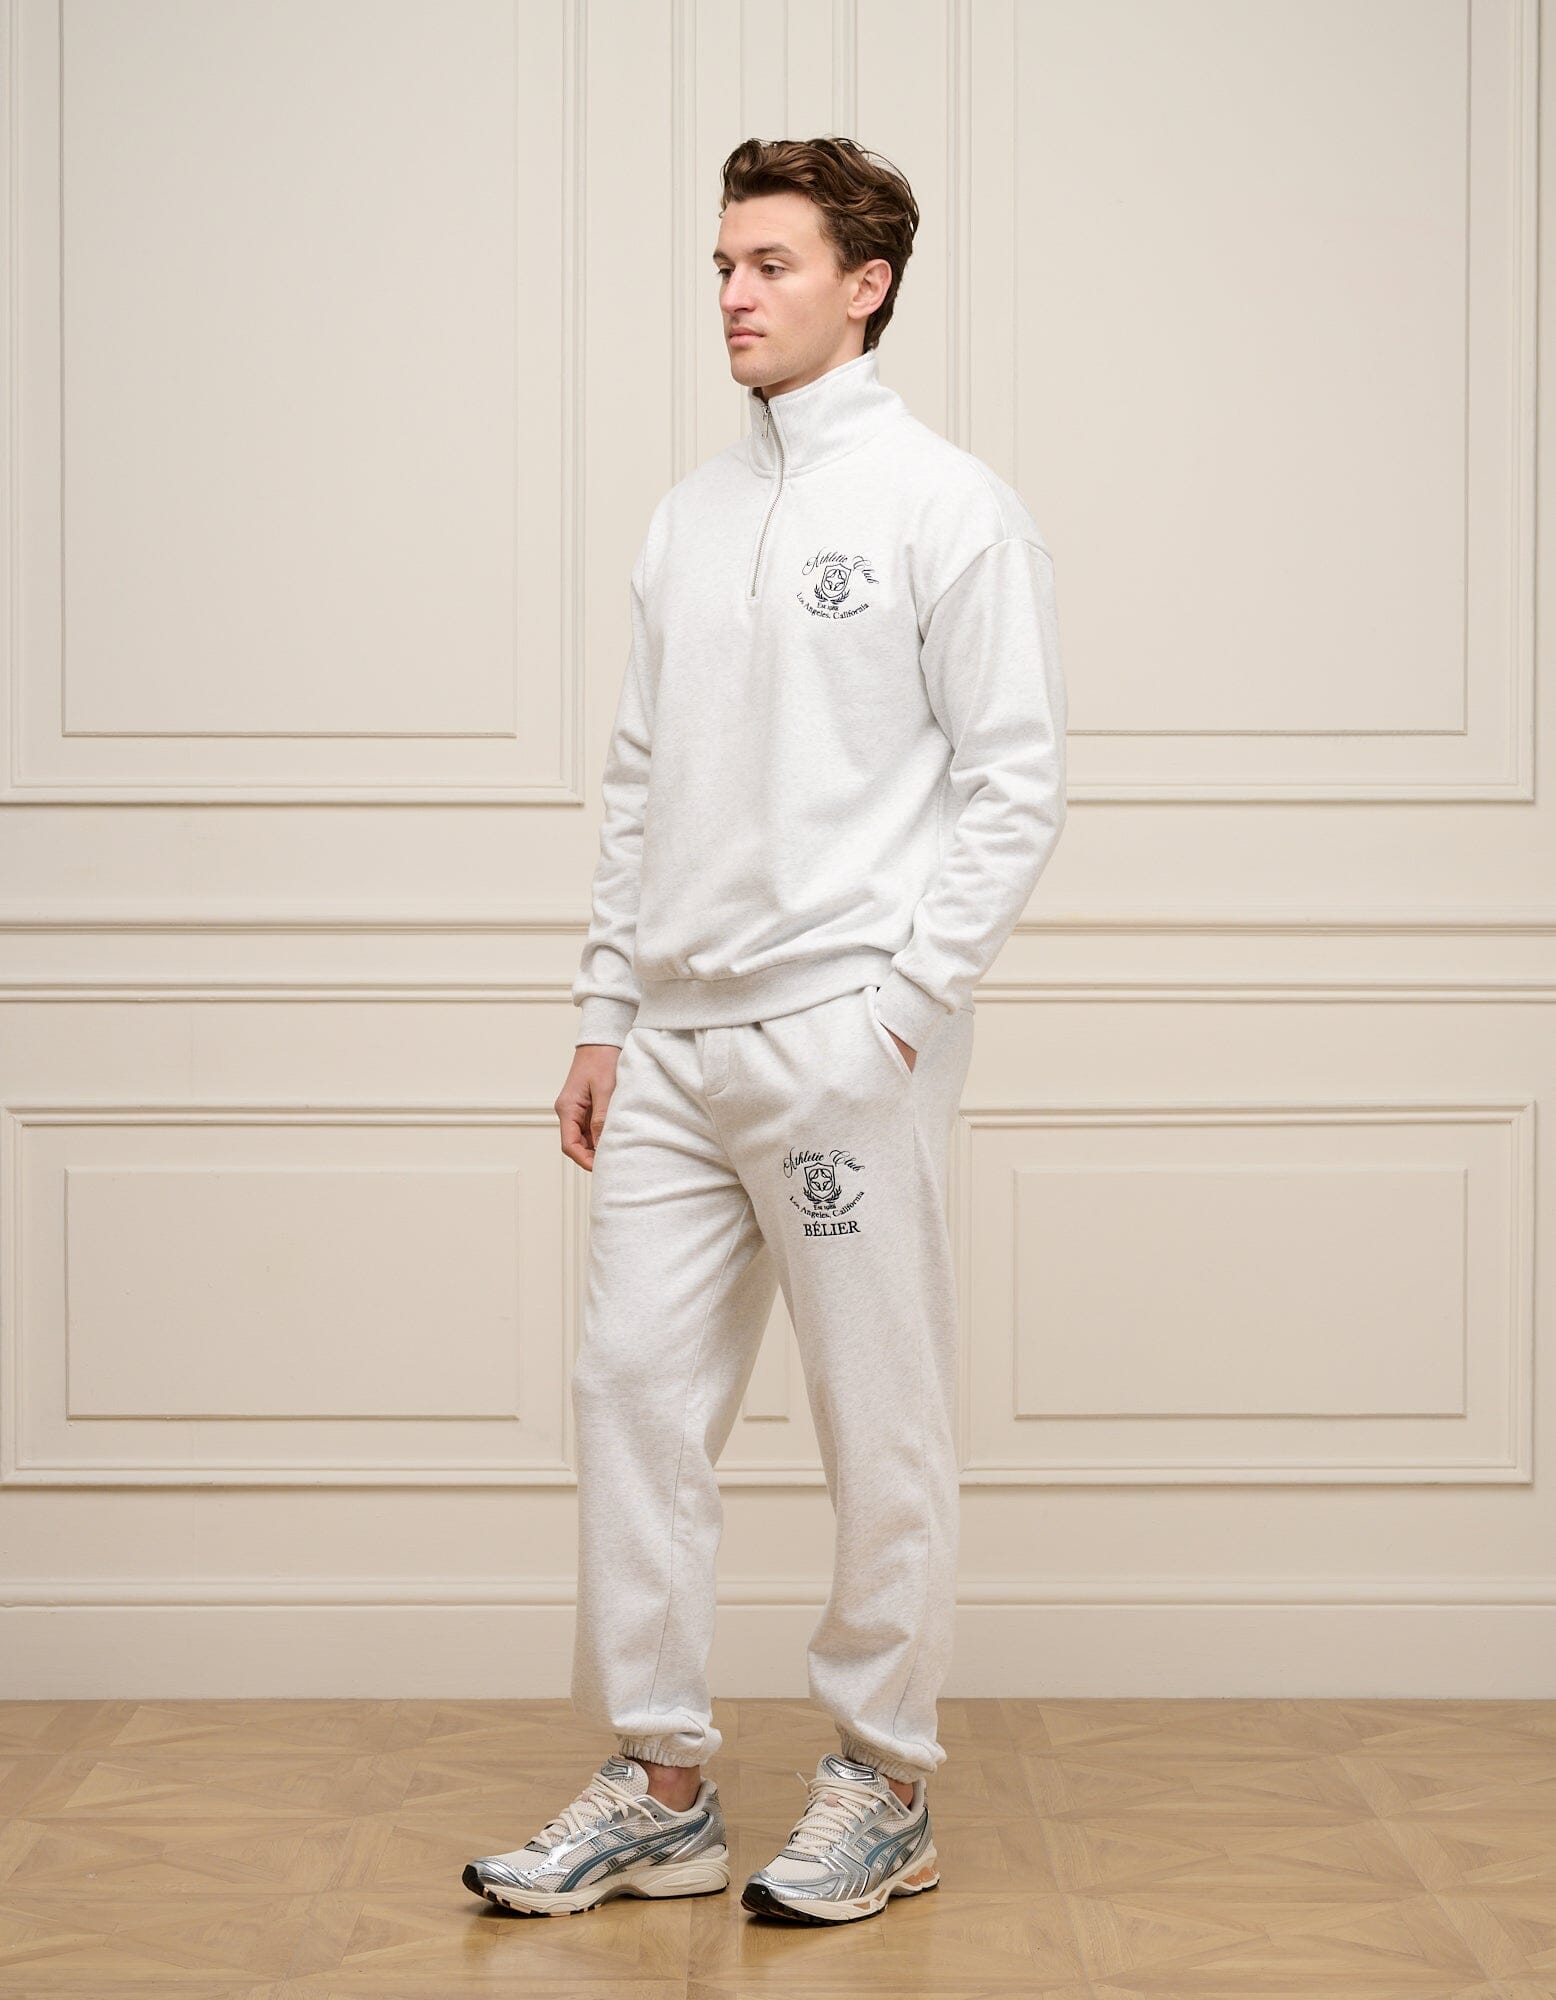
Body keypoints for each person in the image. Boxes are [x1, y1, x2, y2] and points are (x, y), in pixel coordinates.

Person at [464, 134, 1067, 1925]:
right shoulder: (691, 514)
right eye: (723, 264)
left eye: (771, 264)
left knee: (878, 1419)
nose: (732, 294)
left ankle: (884, 1779)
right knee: (632, 1396)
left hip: (838, 1042)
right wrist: (603, 1010)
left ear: (866, 285)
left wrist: (904, 1008)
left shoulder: (947, 504)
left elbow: (1017, 780)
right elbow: (640, 780)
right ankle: (661, 1787)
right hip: (670, 1045)